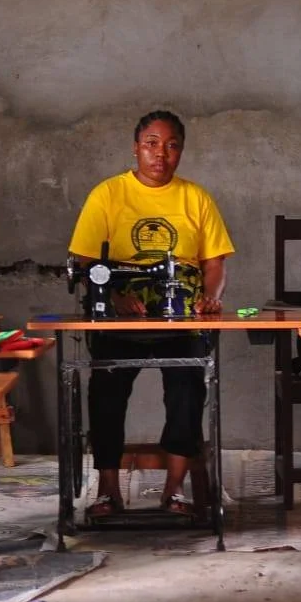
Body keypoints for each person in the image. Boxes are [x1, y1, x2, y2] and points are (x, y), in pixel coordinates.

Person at [68, 110, 234, 517]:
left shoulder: (196, 198)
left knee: (187, 391)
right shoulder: (107, 194)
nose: (162, 154)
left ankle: (174, 490)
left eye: (172, 145)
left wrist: (209, 298)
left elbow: (214, 264)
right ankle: (108, 489)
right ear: (136, 148)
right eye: (152, 144)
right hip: (123, 320)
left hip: (181, 318)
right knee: (106, 393)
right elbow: (84, 260)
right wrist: (117, 297)